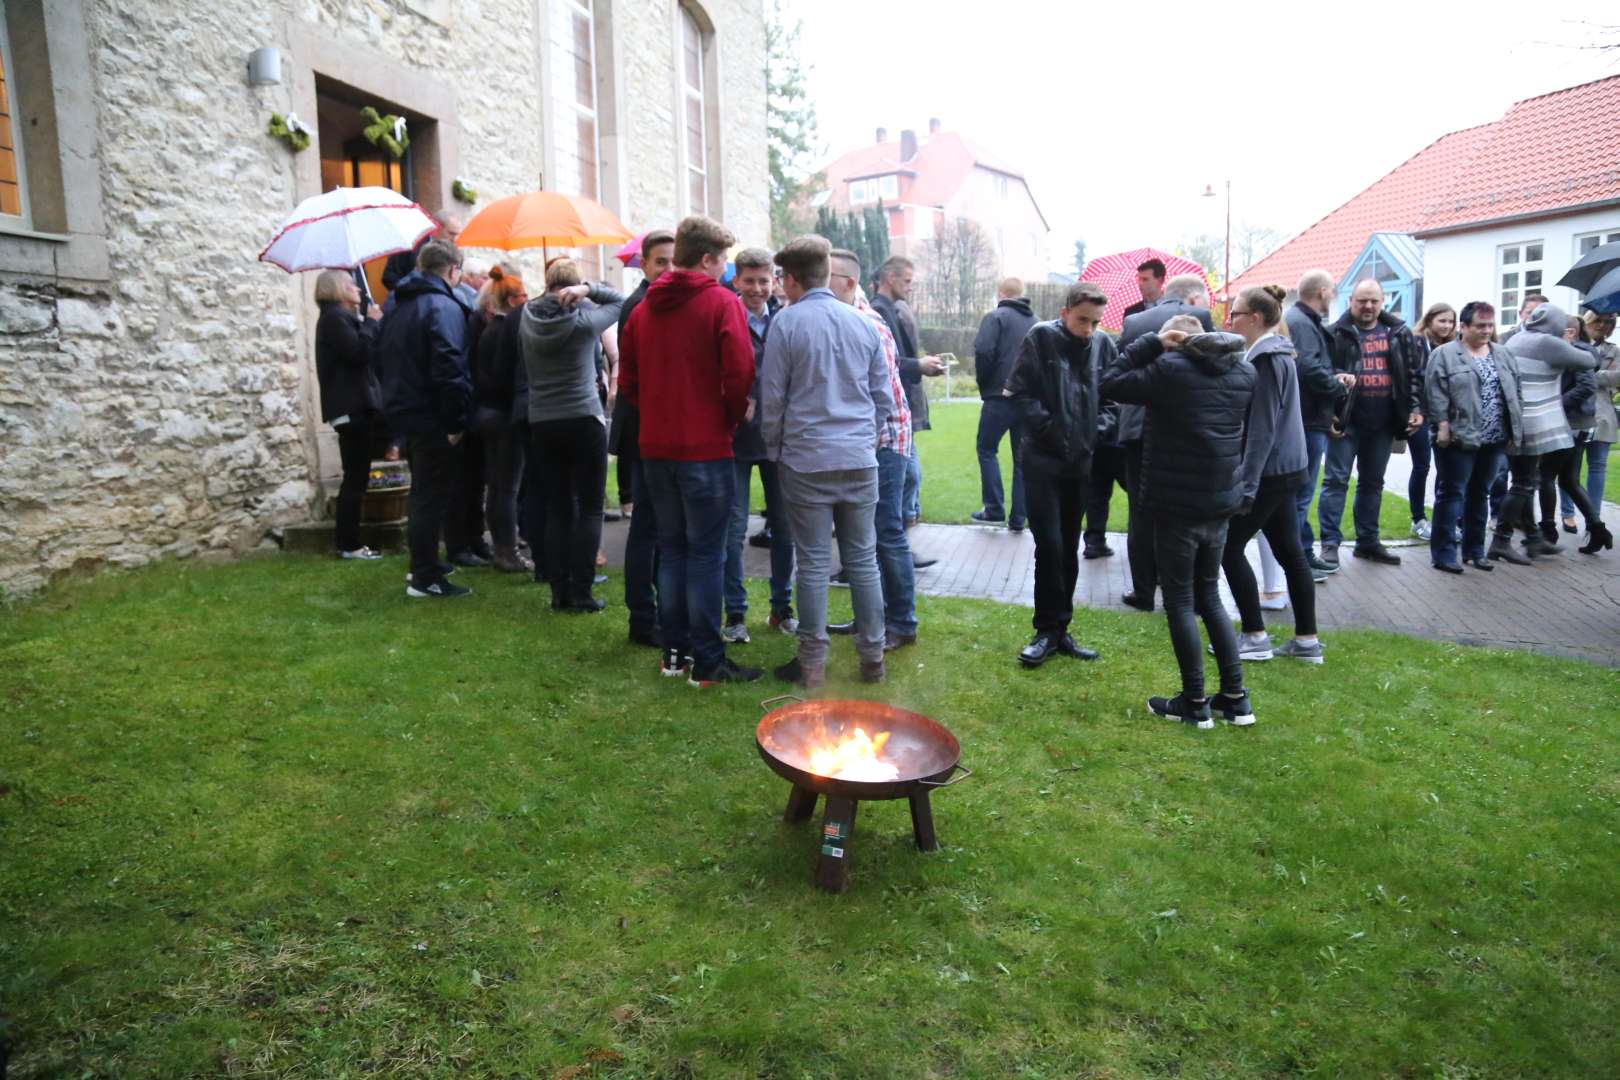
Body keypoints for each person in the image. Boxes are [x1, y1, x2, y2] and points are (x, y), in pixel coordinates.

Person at [619, 215, 759, 686]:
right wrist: (729, 415)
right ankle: (707, 659)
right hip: (704, 446)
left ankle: (674, 654)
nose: (725, 269)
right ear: (707, 260)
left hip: (657, 448)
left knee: (673, 550)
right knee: (705, 554)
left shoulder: (642, 310)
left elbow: (628, 383)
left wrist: (661, 413)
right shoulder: (722, 303)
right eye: (723, 261)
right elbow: (740, 371)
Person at [1101, 316, 1258, 729]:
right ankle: (1236, 699)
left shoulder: (1170, 369)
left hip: (1175, 503)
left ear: (1178, 340)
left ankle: (1194, 701)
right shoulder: (1245, 371)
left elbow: (1110, 381)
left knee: (1181, 601)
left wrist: (1152, 343)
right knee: (1210, 596)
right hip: (1219, 498)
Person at [760, 236, 892, 688]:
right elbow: (882, 398)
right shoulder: (863, 323)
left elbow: (773, 397)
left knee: (813, 561)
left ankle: (813, 662)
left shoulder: (787, 323)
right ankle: (873, 657)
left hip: (806, 459)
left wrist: (773, 448)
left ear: (792, 279)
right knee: (863, 560)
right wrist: (866, 441)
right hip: (857, 457)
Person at [1002, 282, 1111, 667]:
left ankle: (1060, 628)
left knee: (1068, 545)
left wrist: (1095, 431)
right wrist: (1051, 429)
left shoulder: (1102, 345)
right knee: (1048, 544)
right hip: (1042, 462)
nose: (1089, 329)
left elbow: (1112, 396)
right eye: (1082, 320)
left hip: (1080, 463)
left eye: (1096, 322)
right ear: (1065, 312)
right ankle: (1046, 629)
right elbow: (1018, 393)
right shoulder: (1041, 338)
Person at [1219, 286, 1323, 664]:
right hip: (1288, 469)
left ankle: (1254, 635)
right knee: (1290, 552)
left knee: (1228, 548)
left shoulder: (1266, 359)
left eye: (1235, 314)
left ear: (1256, 318)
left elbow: (1262, 428)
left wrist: (1246, 483)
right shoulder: (1276, 354)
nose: (1231, 321)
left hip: (1271, 473)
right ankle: (1307, 641)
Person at [826, 246, 918, 652]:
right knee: (862, 537)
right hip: (867, 444)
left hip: (884, 444)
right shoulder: (846, 317)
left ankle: (902, 622)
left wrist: (865, 442)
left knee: (886, 533)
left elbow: (879, 396)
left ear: (847, 282)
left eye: (823, 275)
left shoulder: (866, 322)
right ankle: (872, 617)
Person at [520, 258, 624, 611]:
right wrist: (589, 289)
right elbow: (620, 302)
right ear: (574, 287)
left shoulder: (526, 316)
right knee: (590, 507)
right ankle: (582, 591)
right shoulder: (582, 321)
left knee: (558, 507)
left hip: (543, 421)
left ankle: (558, 591)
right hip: (582, 417)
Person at [377, 240, 474, 598]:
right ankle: (425, 576)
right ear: (452, 271)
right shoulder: (441, 306)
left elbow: (380, 356)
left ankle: (426, 563)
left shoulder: (398, 305)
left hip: (406, 411)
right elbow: (450, 366)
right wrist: (455, 421)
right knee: (430, 496)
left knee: (424, 492)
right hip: (432, 414)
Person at [1115, 274, 1215, 611]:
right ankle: (1194, 594)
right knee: (1188, 510)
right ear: (1191, 300)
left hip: (1136, 425)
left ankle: (1143, 591)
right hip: (1181, 425)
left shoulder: (1133, 321)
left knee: (1140, 514)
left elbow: (1120, 369)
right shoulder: (1199, 320)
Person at [1489, 303, 1605, 562]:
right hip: (1532, 422)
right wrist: (1568, 343)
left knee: (1523, 481)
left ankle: (1533, 539)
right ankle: (1501, 541)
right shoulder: (1546, 343)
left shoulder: (1519, 337)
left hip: (1515, 420)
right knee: (1523, 484)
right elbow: (1590, 360)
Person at [1319, 279, 1422, 567]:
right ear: (1351, 300)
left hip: (1383, 423)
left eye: (1374, 301)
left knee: (1373, 483)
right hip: (1345, 422)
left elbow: (1413, 374)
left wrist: (1415, 407)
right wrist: (1329, 412)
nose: (1368, 306)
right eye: (1362, 300)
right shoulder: (1334, 334)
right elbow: (1320, 375)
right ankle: (1329, 544)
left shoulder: (1398, 332)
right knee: (1335, 482)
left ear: (1382, 302)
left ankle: (1367, 542)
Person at [721, 247, 795, 642]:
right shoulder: (725, 317)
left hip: (778, 440)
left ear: (774, 282)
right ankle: (735, 613)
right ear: (737, 280)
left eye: (764, 281)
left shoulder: (784, 320)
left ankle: (782, 608)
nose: (757, 288)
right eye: (749, 281)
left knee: (784, 528)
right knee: (732, 530)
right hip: (733, 439)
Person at [611, 229, 675, 647]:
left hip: (654, 427)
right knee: (647, 528)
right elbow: (635, 380)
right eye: (660, 262)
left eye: (674, 261)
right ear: (644, 265)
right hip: (643, 430)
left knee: (655, 528)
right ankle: (642, 616)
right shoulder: (640, 305)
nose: (668, 269)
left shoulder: (659, 302)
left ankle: (654, 610)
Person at [1423, 301, 1520, 573]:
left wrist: (1514, 430)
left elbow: (1515, 393)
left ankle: (1475, 551)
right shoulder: (1445, 355)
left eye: (1490, 325)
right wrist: (1442, 425)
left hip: (1494, 439)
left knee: (1481, 493)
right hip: (1457, 439)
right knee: (1452, 493)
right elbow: (1435, 393)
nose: (1486, 330)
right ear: (1463, 327)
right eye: (1480, 326)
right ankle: (1443, 554)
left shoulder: (1503, 354)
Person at [871, 255, 945, 550]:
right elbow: (888, 363)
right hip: (889, 416)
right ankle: (894, 544)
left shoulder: (892, 309)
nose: (911, 287)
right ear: (890, 278)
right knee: (906, 478)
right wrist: (919, 365)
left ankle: (897, 542)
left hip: (899, 410)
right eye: (908, 281)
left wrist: (919, 364)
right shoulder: (879, 311)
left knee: (909, 477)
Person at [315, 269, 385, 561]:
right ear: (336, 290)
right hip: (350, 406)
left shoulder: (342, 318)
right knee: (354, 478)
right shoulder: (334, 319)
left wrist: (365, 322)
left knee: (357, 477)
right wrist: (370, 322)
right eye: (350, 284)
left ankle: (350, 542)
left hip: (357, 404)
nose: (357, 288)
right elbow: (357, 353)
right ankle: (349, 544)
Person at [1284, 269, 1351, 574]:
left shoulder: (1300, 321)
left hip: (1310, 416)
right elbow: (1308, 367)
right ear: (1323, 291)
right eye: (1332, 292)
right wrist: (1338, 386)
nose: (1333, 298)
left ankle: (1303, 553)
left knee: (1300, 494)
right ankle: (1299, 561)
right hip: (1309, 419)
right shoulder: (1303, 322)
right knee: (1301, 494)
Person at [471, 264, 532, 573]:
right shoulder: (504, 331)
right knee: (506, 487)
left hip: (487, 414)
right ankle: (507, 551)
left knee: (497, 486)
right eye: (524, 295)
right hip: (504, 416)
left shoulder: (488, 329)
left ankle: (501, 546)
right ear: (511, 300)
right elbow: (505, 378)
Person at [970, 277, 1037, 529]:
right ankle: (1019, 518)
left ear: (1001, 294)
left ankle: (994, 508)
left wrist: (985, 384)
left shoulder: (995, 317)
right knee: (1021, 459)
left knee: (987, 450)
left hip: (999, 397)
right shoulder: (1036, 323)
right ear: (1022, 294)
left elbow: (984, 352)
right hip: (1026, 399)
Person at [1407, 303, 1457, 539]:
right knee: (1422, 465)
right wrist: (1415, 408)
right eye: (1442, 321)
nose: (1447, 326)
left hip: (1444, 413)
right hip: (1421, 413)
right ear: (1429, 320)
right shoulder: (1417, 343)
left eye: (1450, 321)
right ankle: (1417, 519)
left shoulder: (1453, 347)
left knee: (1446, 468)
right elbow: (1413, 378)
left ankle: (1443, 519)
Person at [1550, 315, 1597, 535]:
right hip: (1572, 422)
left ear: (1570, 332)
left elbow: (1586, 387)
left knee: (1545, 478)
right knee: (1568, 480)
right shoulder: (1571, 352)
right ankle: (1597, 529)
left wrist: (1555, 404)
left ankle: (1545, 531)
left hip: (1572, 423)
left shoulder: (1578, 354)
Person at [382, 209, 463, 292]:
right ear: (435, 228)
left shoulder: (455, 253)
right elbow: (389, 277)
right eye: (451, 234)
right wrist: (413, 293)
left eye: (457, 235)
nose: (455, 239)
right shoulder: (411, 245)